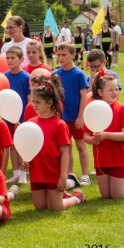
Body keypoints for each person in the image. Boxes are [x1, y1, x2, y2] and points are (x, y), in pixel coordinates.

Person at [24, 78, 86, 210]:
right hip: (37, 172)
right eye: (33, 101)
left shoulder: (59, 124)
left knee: (56, 208)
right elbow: (27, 148)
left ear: (49, 103)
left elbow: (65, 153)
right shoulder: (30, 123)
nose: (34, 105)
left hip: (53, 172)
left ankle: (76, 198)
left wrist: (63, 176)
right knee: (40, 208)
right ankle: (61, 195)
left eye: (38, 102)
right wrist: (25, 161)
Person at [83, 72, 124, 199]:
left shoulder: (122, 109)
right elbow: (85, 135)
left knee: (117, 195)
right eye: (110, 90)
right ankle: (122, 184)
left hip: (119, 158)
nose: (115, 92)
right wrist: (92, 140)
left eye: (117, 89)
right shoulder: (93, 109)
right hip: (102, 159)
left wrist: (105, 135)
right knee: (106, 196)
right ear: (100, 92)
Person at [53, 43, 90, 186]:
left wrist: (80, 116)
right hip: (62, 119)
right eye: (59, 55)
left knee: (81, 146)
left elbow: (83, 96)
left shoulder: (79, 74)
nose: (61, 58)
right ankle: (70, 174)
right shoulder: (55, 74)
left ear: (73, 55)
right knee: (66, 148)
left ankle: (85, 175)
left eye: (64, 55)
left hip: (76, 117)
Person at [4, 46, 31, 184]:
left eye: (13, 58)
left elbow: (29, 98)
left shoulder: (26, 77)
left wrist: (26, 118)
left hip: (21, 117)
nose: (9, 60)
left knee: (22, 145)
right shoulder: (4, 77)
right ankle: (15, 173)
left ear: (21, 60)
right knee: (12, 146)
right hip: (7, 117)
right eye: (7, 58)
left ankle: (23, 173)